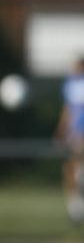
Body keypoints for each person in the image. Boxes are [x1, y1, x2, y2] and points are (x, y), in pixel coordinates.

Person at [55, 57, 84, 225]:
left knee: (77, 162)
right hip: (74, 132)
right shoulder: (70, 84)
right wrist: (61, 130)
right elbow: (68, 109)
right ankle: (75, 207)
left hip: (81, 131)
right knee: (69, 167)